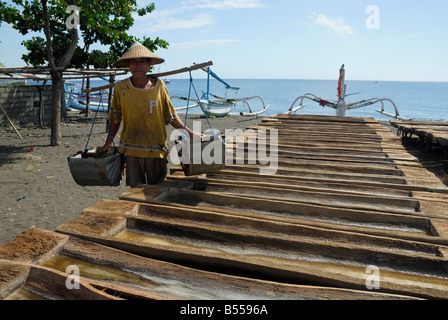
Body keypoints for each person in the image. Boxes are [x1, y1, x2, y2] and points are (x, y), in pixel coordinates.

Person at [96, 43, 199, 187]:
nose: (138, 65)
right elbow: (115, 118)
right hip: (131, 150)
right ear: (128, 65)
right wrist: (107, 144)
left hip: (156, 148)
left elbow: (170, 116)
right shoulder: (121, 87)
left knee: (157, 188)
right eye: (133, 62)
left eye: (142, 61)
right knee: (135, 189)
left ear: (149, 64)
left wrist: (188, 132)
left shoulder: (160, 85)